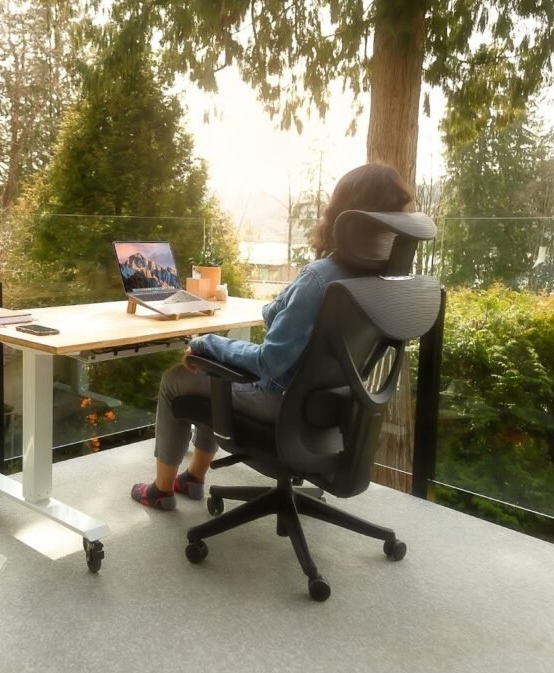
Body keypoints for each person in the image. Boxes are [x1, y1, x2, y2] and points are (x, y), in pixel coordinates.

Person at [131, 162, 413, 510]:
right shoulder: (384, 281)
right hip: (330, 407)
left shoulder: (320, 279)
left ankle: (160, 491)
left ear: (343, 216)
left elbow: (269, 362)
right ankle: (193, 477)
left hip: (281, 401)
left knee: (176, 379)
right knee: (211, 370)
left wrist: (206, 343)